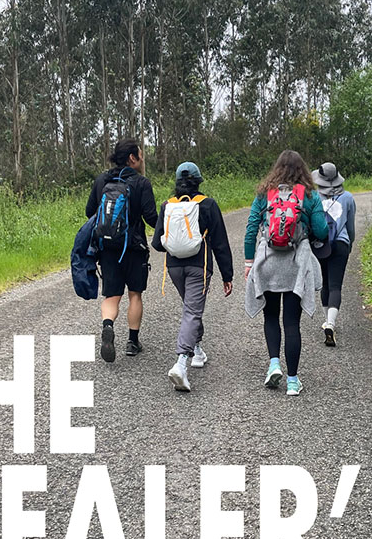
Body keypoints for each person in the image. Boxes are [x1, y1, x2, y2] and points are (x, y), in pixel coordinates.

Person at [244, 150, 328, 396]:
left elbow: (251, 229)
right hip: (296, 264)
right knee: (292, 323)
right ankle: (292, 381)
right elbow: (322, 231)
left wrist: (249, 263)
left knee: (271, 317)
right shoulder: (310, 196)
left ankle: (273, 365)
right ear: (303, 170)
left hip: (268, 263)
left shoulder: (265, 194)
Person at [152, 161, 233, 392]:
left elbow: (157, 243)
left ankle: (197, 350)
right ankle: (181, 363)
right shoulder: (207, 204)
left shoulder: (167, 205)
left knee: (191, 309)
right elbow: (220, 243)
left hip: (174, 268)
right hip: (200, 266)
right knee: (192, 311)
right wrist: (227, 275)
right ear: (198, 182)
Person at [85, 138, 158, 362]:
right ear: (132, 158)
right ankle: (132, 342)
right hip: (134, 248)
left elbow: (89, 212)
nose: (142, 159)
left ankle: (108, 326)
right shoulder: (141, 183)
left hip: (108, 249)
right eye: (140, 155)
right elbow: (151, 218)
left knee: (112, 295)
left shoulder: (102, 180)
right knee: (135, 294)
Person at [311, 162, 356, 347]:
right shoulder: (348, 197)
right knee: (336, 285)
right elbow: (351, 227)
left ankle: (326, 321)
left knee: (326, 283)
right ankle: (331, 323)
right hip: (341, 244)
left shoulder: (314, 197)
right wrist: (350, 243)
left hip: (321, 244)